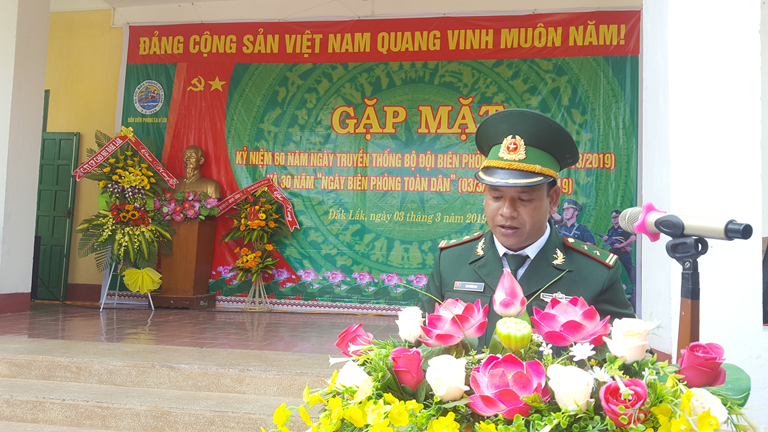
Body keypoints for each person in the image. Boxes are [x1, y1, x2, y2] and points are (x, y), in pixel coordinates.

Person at [421, 109, 635, 349]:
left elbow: (629, 356)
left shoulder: (595, 272)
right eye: (496, 196)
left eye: (523, 199)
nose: (507, 211)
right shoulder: (451, 261)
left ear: (553, 199)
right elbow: (423, 346)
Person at [602, 209, 637, 310]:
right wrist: (606, 239)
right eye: (613, 217)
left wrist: (621, 245)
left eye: (616, 217)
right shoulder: (611, 230)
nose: (614, 219)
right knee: (607, 267)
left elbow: (633, 239)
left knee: (630, 269)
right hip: (613, 251)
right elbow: (609, 241)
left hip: (623, 252)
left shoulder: (625, 228)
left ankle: (634, 287)